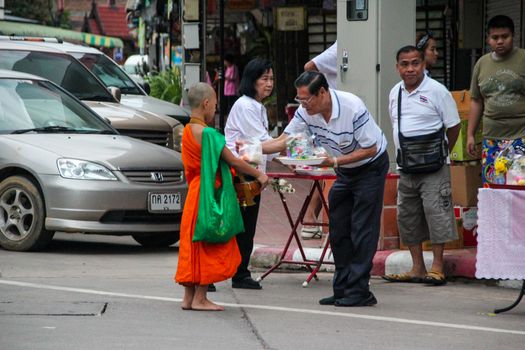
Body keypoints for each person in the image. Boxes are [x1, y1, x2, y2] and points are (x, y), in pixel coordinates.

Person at [263, 71, 389, 307]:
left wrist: (334, 162)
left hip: (370, 167)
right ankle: (342, 289)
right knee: (339, 227)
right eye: (299, 100)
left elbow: (370, 149)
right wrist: (252, 150)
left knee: (363, 229)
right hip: (344, 169)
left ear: (322, 92)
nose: (302, 105)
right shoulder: (306, 111)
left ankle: (360, 291)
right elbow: (285, 140)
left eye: (306, 99)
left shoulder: (352, 107)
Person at [174, 82, 268, 310]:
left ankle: (188, 297)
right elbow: (233, 160)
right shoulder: (209, 135)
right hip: (209, 195)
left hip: (194, 193)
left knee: (192, 243)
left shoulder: (186, 131)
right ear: (206, 104)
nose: (215, 110)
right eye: (215, 106)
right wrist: (260, 175)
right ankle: (200, 298)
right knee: (211, 241)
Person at [382, 45, 460, 286]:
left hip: (434, 166)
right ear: (397, 68)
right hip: (406, 167)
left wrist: (442, 152)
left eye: (415, 63)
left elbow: (454, 125)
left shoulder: (438, 91)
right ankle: (417, 268)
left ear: (424, 64)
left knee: (437, 213)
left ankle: (437, 267)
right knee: (407, 216)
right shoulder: (395, 92)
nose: (410, 69)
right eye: (404, 64)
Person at [224, 57, 276, 290]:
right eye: (264, 78)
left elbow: (264, 146)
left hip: (251, 174)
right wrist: (291, 144)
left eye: (271, 78)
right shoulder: (246, 106)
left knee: (245, 226)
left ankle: (239, 271)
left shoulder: (256, 107)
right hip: (241, 175)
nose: (269, 83)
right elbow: (262, 143)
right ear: (251, 80)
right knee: (240, 226)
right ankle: (238, 273)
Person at [467, 15, 525, 185]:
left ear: (513, 36)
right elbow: (476, 101)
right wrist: (470, 134)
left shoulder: (523, 58)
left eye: (505, 36)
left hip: (521, 136)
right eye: (495, 37)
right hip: (491, 137)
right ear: (488, 39)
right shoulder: (482, 64)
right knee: (493, 187)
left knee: (519, 189)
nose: (500, 41)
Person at [301, 41, 338, 240]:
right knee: (326, 166)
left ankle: (310, 219)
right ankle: (309, 218)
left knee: (329, 166)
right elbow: (310, 66)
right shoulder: (340, 48)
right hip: (328, 115)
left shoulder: (349, 106)